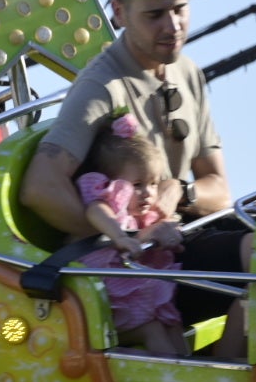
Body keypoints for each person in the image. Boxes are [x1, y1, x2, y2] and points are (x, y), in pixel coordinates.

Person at [22, 0, 251, 346]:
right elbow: (41, 187)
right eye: (155, 14)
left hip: (184, 241)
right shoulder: (101, 86)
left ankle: (237, 373)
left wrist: (178, 192)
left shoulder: (189, 73)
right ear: (119, 12)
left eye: (180, 9)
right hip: (147, 275)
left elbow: (219, 189)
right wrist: (126, 242)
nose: (173, 25)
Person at [75, 114, 186, 355]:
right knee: (154, 329)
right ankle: (177, 380)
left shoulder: (144, 216)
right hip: (112, 298)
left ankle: (194, 368)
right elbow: (97, 210)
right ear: (113, 183)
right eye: (137, 185)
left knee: (173, 324)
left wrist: (170, 241)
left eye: (153, 183)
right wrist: (119, 236)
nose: (147, 193)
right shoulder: (112, 203)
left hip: (141, 290)